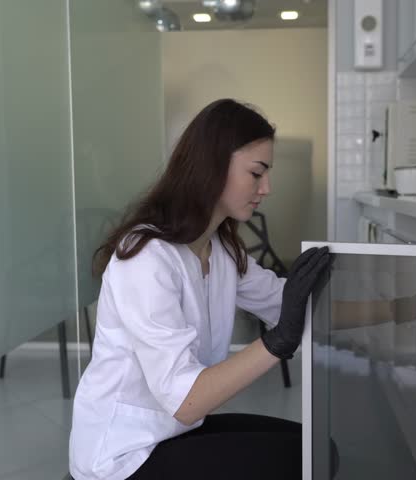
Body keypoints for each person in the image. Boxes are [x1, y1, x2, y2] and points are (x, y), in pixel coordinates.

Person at [68, 99, 334, 480]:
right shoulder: (146, 258)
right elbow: (186, 401)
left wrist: (400, 308)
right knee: (302, 461)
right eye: (256, 173)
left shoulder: (220, 249)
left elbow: (291, 303)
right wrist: (277, 343)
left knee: (317, 449)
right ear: (214, 166)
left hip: (172, 432)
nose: (266, 188)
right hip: (123, 455)